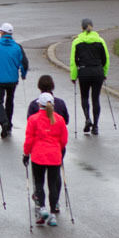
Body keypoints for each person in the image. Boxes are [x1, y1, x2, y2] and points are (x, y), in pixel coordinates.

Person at [23, 92, 69, 227]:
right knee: (52, 185)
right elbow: (64, 140)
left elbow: (29, 139)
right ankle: (53, 214)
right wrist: (57, 148)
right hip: (54, 156)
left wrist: (26, 154)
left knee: (39, 183)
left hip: (38, 156)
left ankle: (42, 208)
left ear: (39, 105)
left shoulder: (33, 119)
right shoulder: (59, 119)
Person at [0, 23, 28, 136]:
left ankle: (3, 122)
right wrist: (23, 74)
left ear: (2, 33)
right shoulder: (18, 47)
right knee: (9, 101)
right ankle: (9, 124)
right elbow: (24, 62)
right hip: (12, 80)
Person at [70, 18, 110, 135]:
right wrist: (104, 73)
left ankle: (87, 119)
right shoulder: (100, 40)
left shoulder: (77, 42)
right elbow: (106, 59)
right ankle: (96, 126)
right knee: (95, 98)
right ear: (92, 26)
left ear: (82, 28)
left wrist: (73, 76)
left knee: (84, 97)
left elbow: (73, 61)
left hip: (84, 72)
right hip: (98, 71)